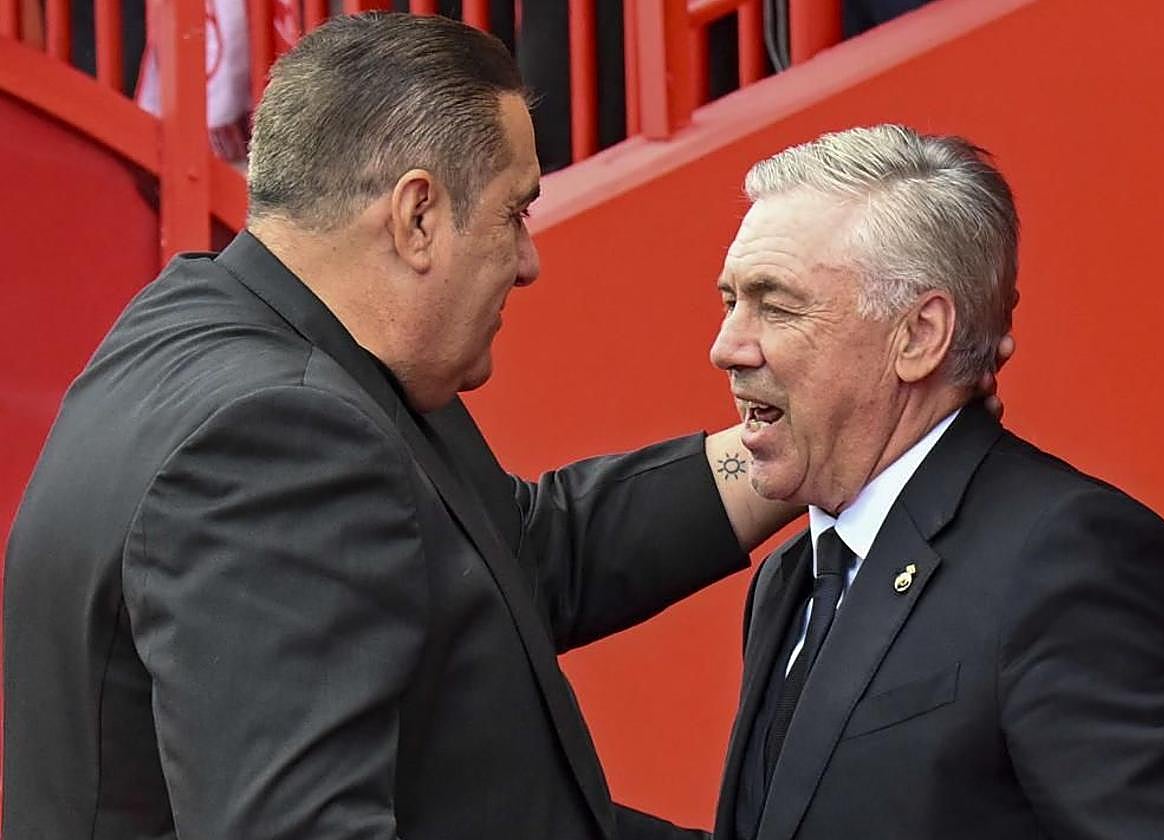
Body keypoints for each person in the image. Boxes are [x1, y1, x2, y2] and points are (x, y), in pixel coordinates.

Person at [2, 13, 794, 839]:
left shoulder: (225, 329)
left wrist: (784, 445)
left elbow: (522, 556)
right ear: (417, 216)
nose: (529, 262)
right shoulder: (280, 437)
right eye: (514, 213)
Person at [705, 125, 1164, 839]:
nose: (727, 347)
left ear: (918, 336)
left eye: (776, 305)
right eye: (730, 301)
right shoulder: (789, 577)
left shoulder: (1064, 559)